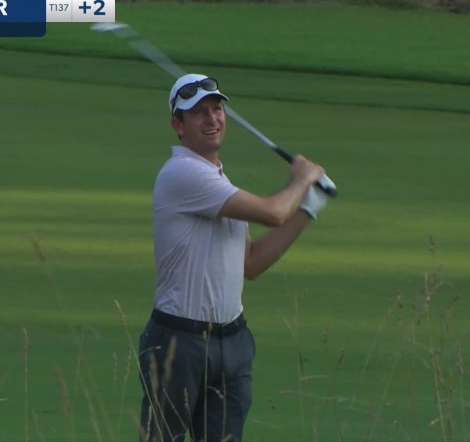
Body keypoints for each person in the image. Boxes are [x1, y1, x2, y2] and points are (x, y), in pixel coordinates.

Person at [138, 74, 332, 442]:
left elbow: (252, 262)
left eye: (216, 109)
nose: (212, 119)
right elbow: (273, 213)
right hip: (179, 342)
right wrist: (302, 179)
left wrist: (310, 206)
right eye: (199, 114)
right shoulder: (183, 173)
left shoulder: (219, 182)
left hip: (232, 342)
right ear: (178, 126)